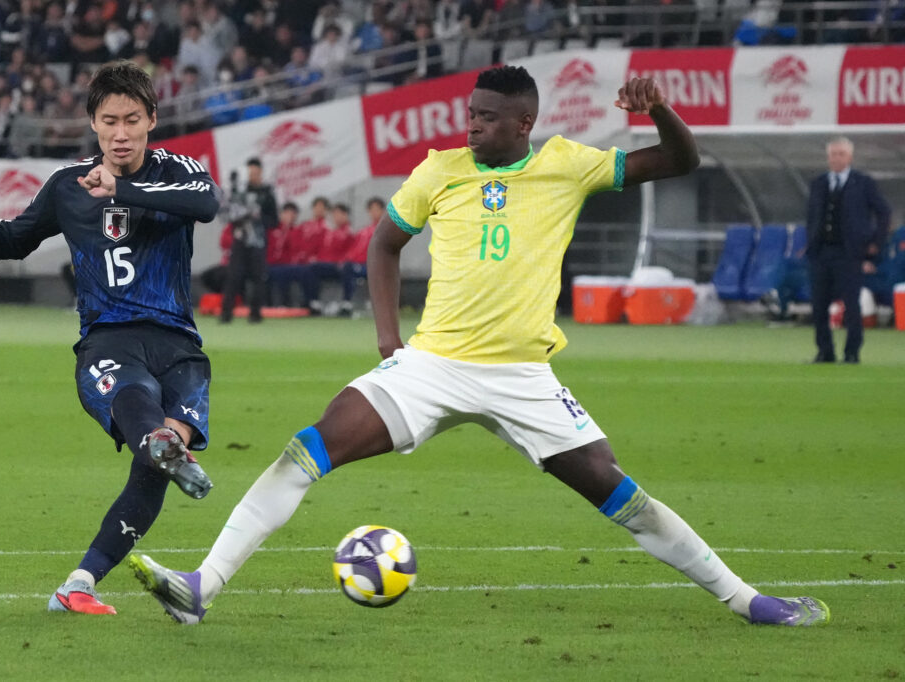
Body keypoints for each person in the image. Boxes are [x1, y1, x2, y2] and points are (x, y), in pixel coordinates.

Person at [129, 66, 829, 628]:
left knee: (620, 493)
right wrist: (388, 342)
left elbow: (682, 159)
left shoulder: (568, 164)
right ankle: (202, 585)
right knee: (307, 449)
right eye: (469, 113)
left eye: (487, 117)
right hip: (431, 366)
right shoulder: (440, 170)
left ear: (524, 123)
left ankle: (745, 600)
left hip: (522, 373)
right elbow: (384, 243)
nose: (471, 125)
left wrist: (660, 109)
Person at [0, 60, 221, 616]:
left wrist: (128, 187)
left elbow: (205, 205)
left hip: (179, 346)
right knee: (145, 418)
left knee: (156, 467)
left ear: (152, 120)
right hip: (109, 341)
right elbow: (20, 237)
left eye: (131, 119)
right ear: (93, 123)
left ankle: (79, 584)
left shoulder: (176, 168)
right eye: (109, 119)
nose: (120, 132)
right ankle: (158, 442)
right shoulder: (69, 185)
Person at [805, 136, 890, 364]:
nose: (836, 158)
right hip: (822, 252)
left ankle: (852, 352)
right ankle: (825, 351)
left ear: (850, 157)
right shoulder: (819, 183)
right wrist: (810, 241)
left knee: (852, 305)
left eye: (841, 154)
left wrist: (875, 243)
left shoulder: (863, 183)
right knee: (819, 305)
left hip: (850, 253)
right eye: (833, 154)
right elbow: (812, 216)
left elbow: (884, 212)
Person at [221, 157, 278, 323]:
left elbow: (274, 220)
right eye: (250, 173)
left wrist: (259, 218)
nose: (253, 176)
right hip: (240, 240)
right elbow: (229, 216)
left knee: (258, 278)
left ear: (260, 173)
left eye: (255, 173)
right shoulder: (239, 192)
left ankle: (255, 314)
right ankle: (226, 314)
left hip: (258, 242)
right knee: (233, 277)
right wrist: (240, 217)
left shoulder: (267, 194)